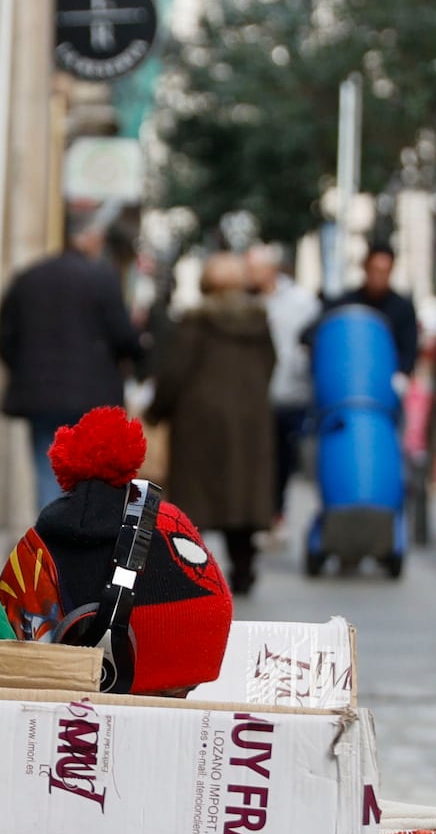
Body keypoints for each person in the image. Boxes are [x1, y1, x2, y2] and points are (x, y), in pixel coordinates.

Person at [0, 208, 145, 507]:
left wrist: (26, 369)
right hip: (92, 394)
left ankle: (52, 543)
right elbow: (124, 336)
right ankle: (82, 539)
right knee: (90, 474)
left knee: (46, 468)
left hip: (39, 394)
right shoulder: (102, 278)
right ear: (90, 239)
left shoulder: (28, 277)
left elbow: (5, 338)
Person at [150, 253, 277, 597]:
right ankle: (244, 569)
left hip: (199, 420)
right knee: (243, 498)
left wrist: (156, 410)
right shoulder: (259, 321)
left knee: (196, 500)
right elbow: (270, 363)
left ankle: (191, 572)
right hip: (249, 420)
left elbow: (176, 371)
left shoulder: (195, 321)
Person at [248, 243, 320, 506]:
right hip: (256, 394)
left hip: (290, 392)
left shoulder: (301, 301)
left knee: (283, 458)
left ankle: (276, 510)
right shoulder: (247, 302)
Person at [320, 242, 420, 378]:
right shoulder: (344, 304)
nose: (378, 277)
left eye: (384, 271)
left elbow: (409, 350)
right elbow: (318, 329)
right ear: (365, 268)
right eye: (375, 270)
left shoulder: (403, 308)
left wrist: (401, 376)